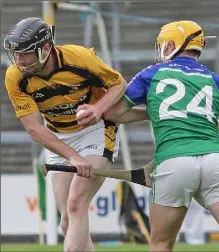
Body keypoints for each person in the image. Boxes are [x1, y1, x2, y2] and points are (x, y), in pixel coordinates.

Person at [101, 20, 219, 251]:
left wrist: (155, 112)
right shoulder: (217, 81)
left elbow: (114, 113)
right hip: (215, 161)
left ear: (172, 44)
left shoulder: (152, 74)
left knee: (161, 244)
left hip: (173, 162)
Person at [4, 17, 127, 252]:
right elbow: (33, 128)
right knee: (68, 222)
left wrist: (97, 109)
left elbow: (118, 84)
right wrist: (72, 156)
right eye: (16, 54)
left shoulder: (80, 58)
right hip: (58, 137)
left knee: (76, 204)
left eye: (25, 53)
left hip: (95, 132)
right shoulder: (15, 76)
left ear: (46, 49)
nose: (18, 61)